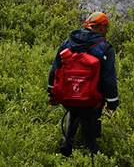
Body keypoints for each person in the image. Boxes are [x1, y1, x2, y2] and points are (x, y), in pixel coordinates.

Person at [47, 11, 119, 156]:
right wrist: (112, 104)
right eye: (107, 28)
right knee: (89, 121)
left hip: (68, 95)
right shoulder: (104, 48)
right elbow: (108, 79)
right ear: (102, 28)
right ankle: (92, 153)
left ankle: (66, 144)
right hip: (91, 99)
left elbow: (55, 69)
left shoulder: (68, 42)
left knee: (73, 111)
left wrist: (51, 93)